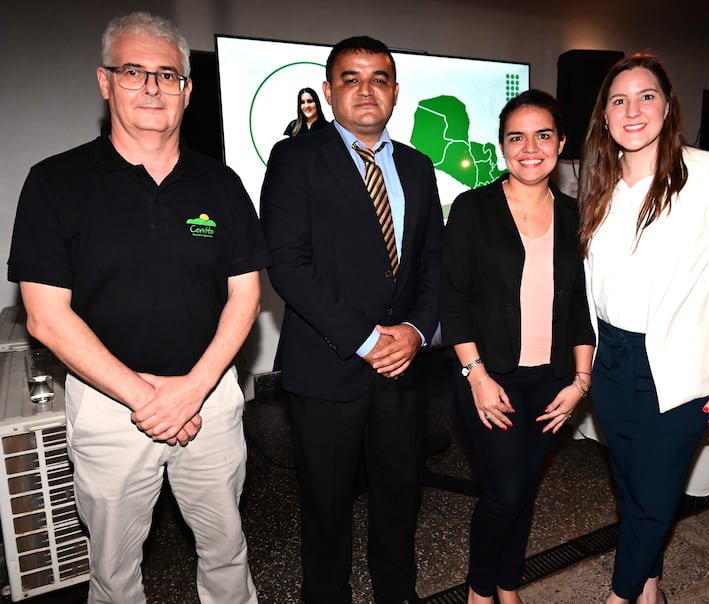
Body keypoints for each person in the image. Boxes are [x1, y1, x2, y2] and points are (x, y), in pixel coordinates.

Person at [7, 12, 269, 604]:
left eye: (167, 75)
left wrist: (192, 389)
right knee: (114, 569)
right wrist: (149, 398)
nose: (152, 87)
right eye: (134, 72)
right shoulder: (55, 183)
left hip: (211, 400)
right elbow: (46, 316)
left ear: (187, 89)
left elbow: (246, 295)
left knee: (227, 549)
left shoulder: (222, 184)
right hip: (106, 407)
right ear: (105, 82)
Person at [260, 36, 443, 604]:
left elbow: (433, 263)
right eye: (351, 78)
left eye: (379, 78)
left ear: (395, 91)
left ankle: (397, 592)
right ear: (330, 88)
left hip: (404, 369)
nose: (367, 90)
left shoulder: (417, 165)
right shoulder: (295, 158)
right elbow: (288, 264)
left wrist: (414, 332)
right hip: (329, 364)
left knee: (399, 493)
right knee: (326, 503)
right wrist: (366, 340)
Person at [578, 52, 709, 604]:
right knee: (630, 484)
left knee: (654, 493)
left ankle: (621, 594)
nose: (633, 110)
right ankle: (650, 587)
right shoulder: (598, 184)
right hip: (611, 359)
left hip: (676, 365)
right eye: (619, 99)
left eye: (646, 96)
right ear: (604, 115)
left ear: (667, 105)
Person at [440, 90, 595, 604]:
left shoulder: (577, 215)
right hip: (490, 378)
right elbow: (453, 301)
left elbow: (578, 306)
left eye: (543, 135)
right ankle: (479, 592)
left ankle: (509, 584)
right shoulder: (472, 208)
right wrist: (477, 378)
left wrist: (580, 383)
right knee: (503, 492)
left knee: (524, 490)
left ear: (561, 142)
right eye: (517, 137)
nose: (531, 147)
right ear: (502, 145)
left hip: (552, 381)